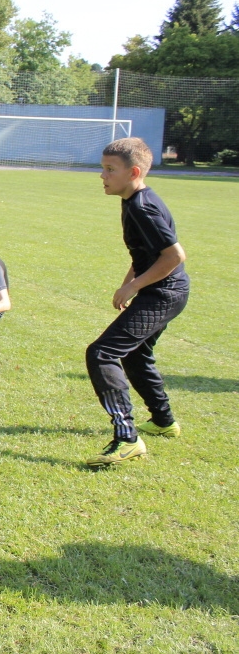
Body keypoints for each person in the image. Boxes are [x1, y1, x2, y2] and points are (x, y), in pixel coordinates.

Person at [84, 137, 189, 468]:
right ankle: (163, 421)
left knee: (101, 353)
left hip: (164, 293)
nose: (103, 176)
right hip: (161, 290)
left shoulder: (143, 207)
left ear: (134, 172)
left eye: (110, 170)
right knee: (134, 355)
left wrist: (134, 287)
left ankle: (127, 438)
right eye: (103, 168)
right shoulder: (133, 200)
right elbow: (146, 253)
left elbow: (173, 256)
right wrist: (130, 281)